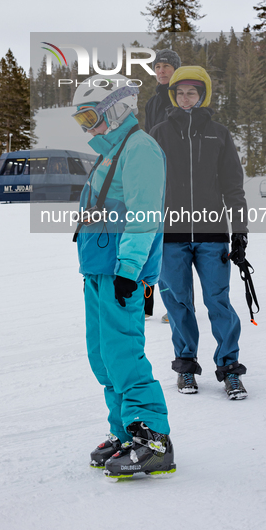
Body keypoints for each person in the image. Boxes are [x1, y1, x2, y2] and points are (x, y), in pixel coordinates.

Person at [72, 74, 175, 479]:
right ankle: (124, 430)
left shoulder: (140, 149)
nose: (87, 128)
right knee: (103, 357)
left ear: (116, 109)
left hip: (120, 274)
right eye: (81, 121)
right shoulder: (111, 151)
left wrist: (129, 272)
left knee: (124, 356)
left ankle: (153, 439)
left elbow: (145, 215)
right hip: (99, 270)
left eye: (90, 117)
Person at [149, 66, 249, 400]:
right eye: (179, 93)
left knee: (218, 301)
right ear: (173, 96)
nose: (185, 98)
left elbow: (233, 187)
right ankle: (186, 367)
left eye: (191, 92)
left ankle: (230, 369)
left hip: (212, 234)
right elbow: (147, 186)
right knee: (178, 303)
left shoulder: (219, 133)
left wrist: (239, 232)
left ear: (202, 94)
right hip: (170, 235)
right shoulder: (159, 133)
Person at [143, 49, 180, 319]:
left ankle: (175, 303)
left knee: (173, 244)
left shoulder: (182, 98)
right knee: (150, 238)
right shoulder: (153, 102)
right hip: (154, 174)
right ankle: (146, 305)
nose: (161, 70)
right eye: (157, 66)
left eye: (166, 66)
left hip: (177, 176)